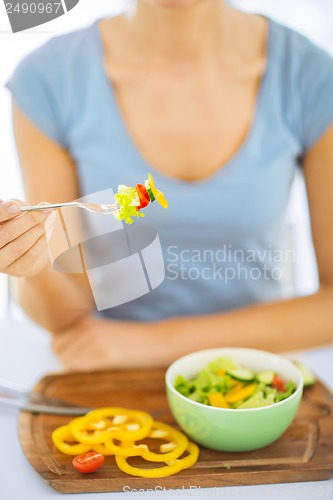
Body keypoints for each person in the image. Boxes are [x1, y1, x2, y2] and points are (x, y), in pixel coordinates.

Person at [1, 0, 333, 371]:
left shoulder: (311, 75)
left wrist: (154, 343)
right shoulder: (48, 79)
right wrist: (31, 264)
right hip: (107, 378)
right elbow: (65, 316)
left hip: (253, 377)